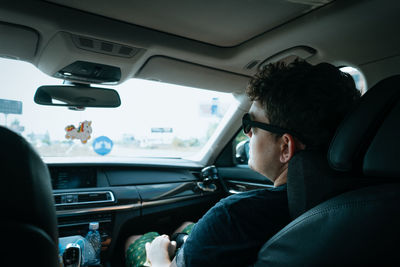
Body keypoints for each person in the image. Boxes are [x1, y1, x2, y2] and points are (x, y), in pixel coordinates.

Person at [126, 60, 361, 267]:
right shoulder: (357, 200)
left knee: (139, 240)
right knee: (186, 226)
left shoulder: (232, 217)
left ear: (285, 147)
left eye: (251, 123)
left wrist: (158, 258)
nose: (247, 133)